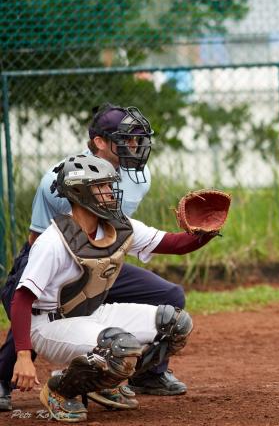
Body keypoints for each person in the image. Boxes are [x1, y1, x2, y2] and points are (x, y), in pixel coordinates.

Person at [0, 104, 186, 412]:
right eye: (126, 139)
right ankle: (5, 377)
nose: (135, 146)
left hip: (104, 253)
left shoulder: (140, 176)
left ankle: (147, 375)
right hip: (57, 256)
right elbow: (37, 241)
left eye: (138, 139)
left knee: (170, 296)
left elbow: (122, 233)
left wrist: (200, 235)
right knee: (39, 307)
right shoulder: (59, 180)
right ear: (100, 142)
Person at [10, 154, 219, 422]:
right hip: (49, 326)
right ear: (79, 192)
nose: (111, 193)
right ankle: (59, 390)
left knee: (175, 324)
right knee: (119, 346)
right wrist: (24, 356)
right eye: (103, 187)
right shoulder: (53, 241)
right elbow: (22, 299)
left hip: (93, 314)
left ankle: (108, 381)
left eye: (110, 185)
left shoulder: (118, 226)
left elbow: (173, 244)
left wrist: (205, 232)